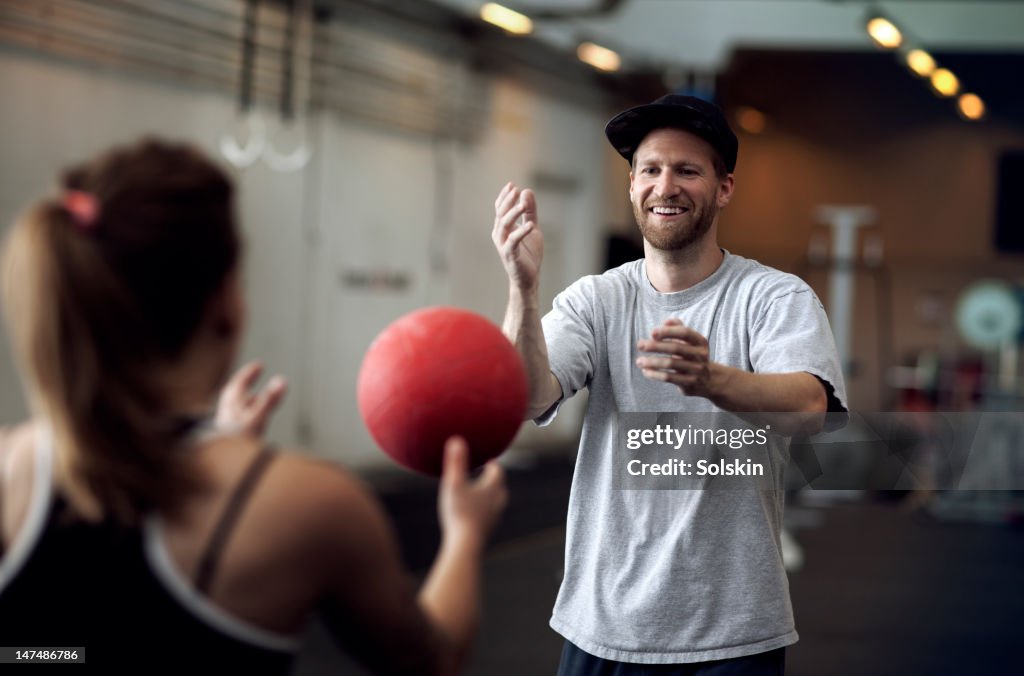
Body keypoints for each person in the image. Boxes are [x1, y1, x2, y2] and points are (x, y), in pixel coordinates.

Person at [0, 139, 507, 674]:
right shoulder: (312, 506)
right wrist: (464, 533)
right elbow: (438, 660)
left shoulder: (8, 470)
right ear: (225, 303)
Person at [491, 94, 848, 674]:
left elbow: (811, 408)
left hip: (733, 633)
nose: (666, 186)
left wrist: (713, 380)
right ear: (632, 186)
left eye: (687, 170)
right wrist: (522, 289)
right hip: (602, 625)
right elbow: (527, 396)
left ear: (724, 188)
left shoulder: (772, 298)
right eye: (651, 170)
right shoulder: (598, 299)